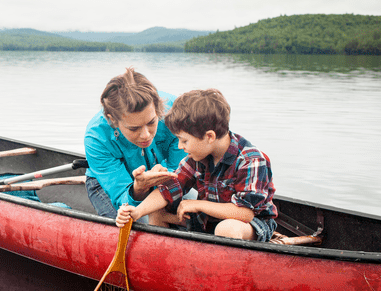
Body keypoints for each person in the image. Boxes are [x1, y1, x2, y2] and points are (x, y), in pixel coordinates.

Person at [115, 88, 277, 241]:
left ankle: (222, 268)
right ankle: (164, 258)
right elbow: (168, 190)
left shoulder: (251, 160)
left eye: (184, 140)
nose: (179, 146)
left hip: (249, 225)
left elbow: (245, 214)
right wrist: (137, 211)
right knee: (157, 210)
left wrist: (197, 204)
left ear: (209, 137)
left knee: (226, 229)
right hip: (209, 220)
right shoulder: (197, 157)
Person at [84, 68, 186, 219]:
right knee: (133, 224)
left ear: (158, 108)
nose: (145, 135)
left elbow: (181, 172)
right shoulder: (96, 137)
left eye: (151, 122)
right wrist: (139, 189)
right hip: (108, 184)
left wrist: (165, 178)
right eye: (133, 128)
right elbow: (122, 198)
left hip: (161, 173)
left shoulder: (177, 113)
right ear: (113, 120)